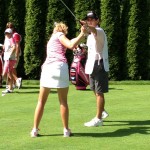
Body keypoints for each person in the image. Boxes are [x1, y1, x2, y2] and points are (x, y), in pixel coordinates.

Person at [30, 22, 86, 137]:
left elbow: (72, 42)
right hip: (59, 67)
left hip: (48, 69)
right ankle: (66, 130)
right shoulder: (59, 35)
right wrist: (82, 33)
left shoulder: (53, 38)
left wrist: (83, 34)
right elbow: (71, 45)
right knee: (63, 101)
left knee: (41, 101)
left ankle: (34, 130)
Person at [82, 11, 109, 127]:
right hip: (92, 64)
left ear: (97, 20)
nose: (90, 21)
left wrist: (87, 27)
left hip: (99, 64)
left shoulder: (99, 30)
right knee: (93, 89)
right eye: (88, 19)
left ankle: (98, 119)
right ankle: (102, 111)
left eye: (92, 19)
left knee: (99, 92)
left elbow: (93, 30)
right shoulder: (90, 35)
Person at [6, 22, 22, 89]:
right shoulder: (10, 35)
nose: (9, 29)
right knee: (12, 69)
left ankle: (17, 80)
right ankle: (13, 84)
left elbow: (17, 45)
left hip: (14, 54)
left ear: (13, 28)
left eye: (10, 27)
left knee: (10, 69)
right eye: (8, 27)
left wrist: (16, 55)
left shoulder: (15, 35)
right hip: (10, 53)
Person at [2, 28, 16, 93]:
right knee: (9, 73)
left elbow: (14, 47)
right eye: (6, 33)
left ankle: (9, 86)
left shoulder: (11, 39)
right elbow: (5, 47)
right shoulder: (7, 39)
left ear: (11, 33)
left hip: (10, 59)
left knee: (4, 73)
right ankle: (10, 87)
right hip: (7, 58)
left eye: (8, 33)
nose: (7, 34)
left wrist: (10, 54)